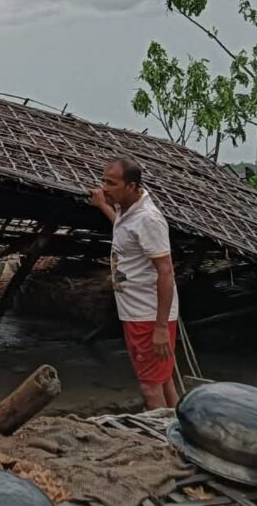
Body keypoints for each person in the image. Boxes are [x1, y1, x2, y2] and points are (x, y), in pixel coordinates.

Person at [90, 157, 180, 409]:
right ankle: (179, 431)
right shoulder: (125, 209)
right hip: (137, 312)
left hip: (148, 316)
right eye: (103, 181)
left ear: (131, 186)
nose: (104, 187)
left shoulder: (149, 219)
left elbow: (166, 272)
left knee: (149, 387)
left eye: (111, 182)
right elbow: (125, 232)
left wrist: (161, 327)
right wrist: (103, 206)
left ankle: (164, 443)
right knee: (162, 379)